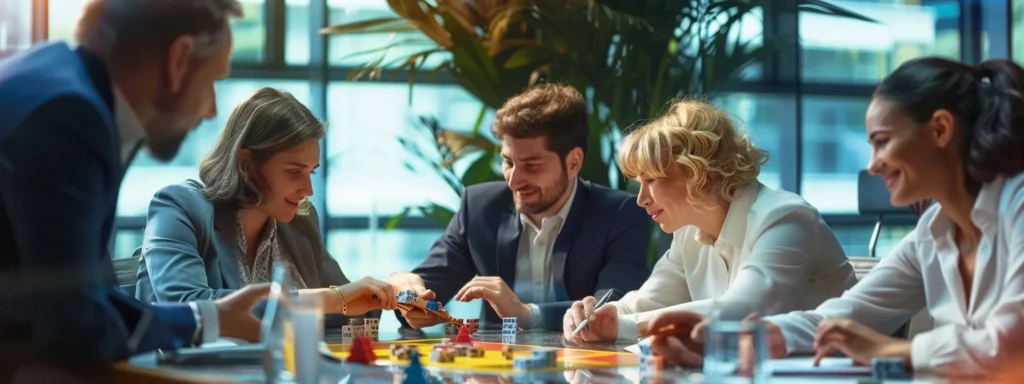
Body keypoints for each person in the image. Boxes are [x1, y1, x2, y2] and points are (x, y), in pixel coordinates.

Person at [652, 57, 1024, 375]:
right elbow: (842, 317)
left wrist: (887, 351)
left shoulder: (1017, 206)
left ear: (941, 129)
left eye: (882, 142)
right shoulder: (934, 231)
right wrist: (728, 338)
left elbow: (1010, 348)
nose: (872, 165)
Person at [0, 0, 267, 373]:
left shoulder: (54, 79)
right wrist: (203, 321)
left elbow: (83, 300)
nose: (210, 111)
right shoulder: (69, 118)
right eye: (212, 82)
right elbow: (74, 330)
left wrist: (207, 317)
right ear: (178, 61)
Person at [562, 99, 857, 348]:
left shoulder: (787, 218)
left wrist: (621, 326)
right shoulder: (689, 231)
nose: (641, 199)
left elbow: (743, 311)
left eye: (650, 180)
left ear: (696, 171)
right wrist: (595, 316)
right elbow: (645, 303)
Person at [387, 84, 653, 331]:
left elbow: (612, 309)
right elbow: (428, 289)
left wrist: (526, 313)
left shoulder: (622, 214)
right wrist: (407, 293)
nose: (514, 180)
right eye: (508, 162)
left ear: (573, 163)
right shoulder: (480, 207)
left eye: (531, 165)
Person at [135, 87, 396, 324]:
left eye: (311, 172)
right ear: (246, 165)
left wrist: (399, 297)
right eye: (295, 172)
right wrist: (328, 300)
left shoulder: (300, 220)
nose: (308, 190)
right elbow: (187, 306)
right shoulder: (179, 208)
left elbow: (348, 306)